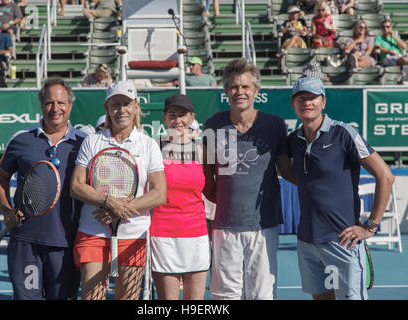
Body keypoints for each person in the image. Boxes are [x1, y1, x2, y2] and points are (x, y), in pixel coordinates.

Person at [287, 76, 395, 300]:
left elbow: (385, 176)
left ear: (323, 102)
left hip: (342, 242)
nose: (306, 102)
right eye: (301, 98)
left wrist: (370, 226)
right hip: (307, 242)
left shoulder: (344, 133)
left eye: (312, 98)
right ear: (293, 104)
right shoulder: (293, 140)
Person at [202, 58, 295, 300]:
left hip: (264, 226)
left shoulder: (274, 125)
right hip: (224, 226)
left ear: (256, 91)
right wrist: (227, 206)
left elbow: (286, 170)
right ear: (225, 92)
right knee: (225, 295)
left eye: (245, 87)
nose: (239, 92)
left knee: (261, 294)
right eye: (233, 87)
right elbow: (207, 178)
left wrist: (317, 185)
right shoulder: (213, 125)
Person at [69, 80, 167, 300]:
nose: (121, 110)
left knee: (128, 298)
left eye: (126, 103)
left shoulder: (148, 144)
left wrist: (120, 209)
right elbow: (76, 186)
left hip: (134, 232)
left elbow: (159, 193)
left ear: (136, 106)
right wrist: (109, 202)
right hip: (93, 230)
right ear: (107, 107)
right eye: (115, 104)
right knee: (92, 297)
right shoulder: (92, 142)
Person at [0, 77, 85, 299]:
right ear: (42, 105)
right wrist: (7, 210)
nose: (56, 109)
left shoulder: (85, 142)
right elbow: (0, 177)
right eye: (49, 103)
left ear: (70, 106)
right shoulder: (21, 140)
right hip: (26, 242)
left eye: (61, 103)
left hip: (67, 243)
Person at [150, 93, 210, 300]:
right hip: (163, 234)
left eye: (183, 115)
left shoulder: (203, 151)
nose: (178, 120)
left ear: (192, 118)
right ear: (165, 118)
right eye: (172, 115)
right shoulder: (153, 149)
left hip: (197, 234)